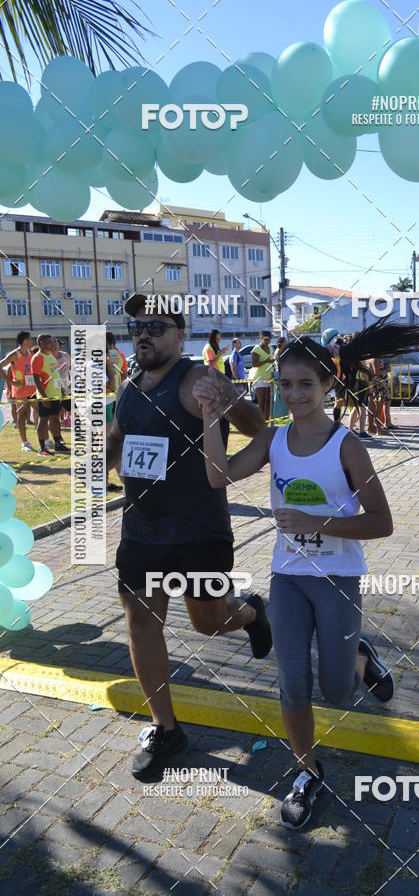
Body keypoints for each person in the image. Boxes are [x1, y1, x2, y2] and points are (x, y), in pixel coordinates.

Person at [195, 323, 419, 829]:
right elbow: (218, 476)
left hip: (338, 578)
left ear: (328, 385)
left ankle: (363, 659)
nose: (295, 395)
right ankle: (307, 772)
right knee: (293, 686)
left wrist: (318, 522)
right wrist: (213, 416)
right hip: (289, 579)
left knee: (337, 690)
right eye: (286, 385)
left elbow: (382, 522)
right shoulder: (273, 438)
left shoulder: (346, 447)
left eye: (306, 385)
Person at [106, 293, 271, 781]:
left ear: (181, 334)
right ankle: (166, 728)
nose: (144, 333)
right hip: (141, 529)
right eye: (137, 325)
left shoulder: (199, 378)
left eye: (157, 326)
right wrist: (106, 459)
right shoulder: (130, 382)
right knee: (140, 622)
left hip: (199, 533)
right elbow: (120, 434)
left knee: (208, 623)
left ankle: (252, 612)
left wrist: (222, 403)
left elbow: (256, 427)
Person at [31, 335, 70, 456]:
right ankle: (42, 448)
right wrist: (43, 397)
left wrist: (62, 390)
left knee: (55, 419)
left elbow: (55, 374)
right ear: (42, 343)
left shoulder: (50, 355)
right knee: (43, 421)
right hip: (46, 395)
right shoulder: (37, 358)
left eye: (53, 341)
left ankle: (58, 444)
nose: (52, 344)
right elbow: (36, 379)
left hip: (56, 394)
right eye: (49, 342)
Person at [0, 332, 37, 451]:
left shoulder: (30, 353)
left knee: (41, 411)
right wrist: (10, 382)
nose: (31, 341)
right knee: (22, 415)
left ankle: (45, 440)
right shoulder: (14, 354)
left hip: (32, 388)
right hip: (20, 389)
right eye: (29, 339)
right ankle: (25, 443)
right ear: (25, 341)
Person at [106, 332, 127, 493]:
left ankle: (104, 480)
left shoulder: (101, 357)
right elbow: (125, 376)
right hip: (119, 398)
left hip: (105, 399)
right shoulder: (120, 355)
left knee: (108, 440)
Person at [251, 330, 274, 422]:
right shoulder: (256, 349)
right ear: (261, 339)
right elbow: (254, 364)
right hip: (259, 378)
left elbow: (270, 361)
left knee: (268, 402)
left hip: (269, 377)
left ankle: (266, 423)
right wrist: (266, 361)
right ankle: (259, 423)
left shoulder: (271, 348)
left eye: (269, 339)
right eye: (265, 339)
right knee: (262, 402)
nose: (267, 341)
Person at [52, 338, 72, 429]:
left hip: (66, 383)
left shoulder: (66, 355)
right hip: (54, 384)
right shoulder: (50, 357)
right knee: (58, 404)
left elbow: (72, 368)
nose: (60, 347)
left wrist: (72, 381)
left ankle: (67, 419)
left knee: (68, 404)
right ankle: (59, 420)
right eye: (59, 345)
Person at [272, 337, 289, 422]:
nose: (286, 343)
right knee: (280, 397)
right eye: (285, 342)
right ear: (281, 343)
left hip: (282, 374)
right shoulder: (278, 352)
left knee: (283, 397)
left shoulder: (282, 351)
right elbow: (280, 364)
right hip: (280, 375)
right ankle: (279, 417)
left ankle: (283, 416)